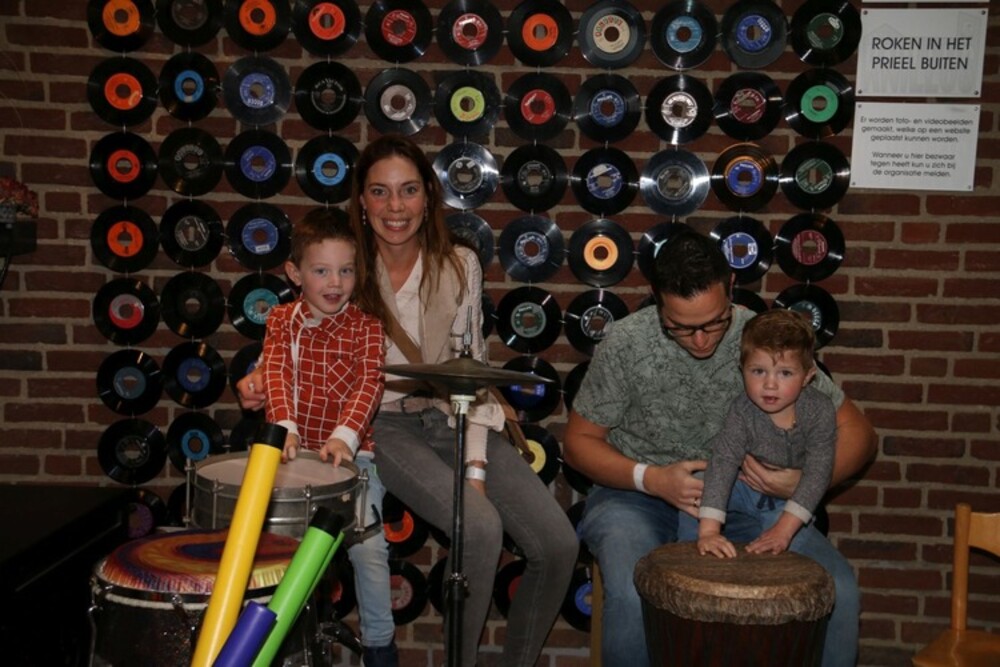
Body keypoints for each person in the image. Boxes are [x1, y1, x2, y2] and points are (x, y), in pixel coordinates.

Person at [239, 134, 578, 667]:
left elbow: (471, 365)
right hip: (382, 423)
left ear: (428, 197)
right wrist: (258, 376)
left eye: (409, 190)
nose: (395, 207)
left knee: (558, 545)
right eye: (380, 191)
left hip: (456, 416)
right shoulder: (346, 262)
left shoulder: (460, 264)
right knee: (479, 529)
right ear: (361, 200)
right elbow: (297, 330)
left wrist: (475, 466)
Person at [562, 228, 877, 667]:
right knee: (636, 593)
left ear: (731, 285)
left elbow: (859, 433)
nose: (701, 340)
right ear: (656, 299)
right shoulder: (626, 343)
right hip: (633, 496)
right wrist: (652, 479)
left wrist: (805, 483)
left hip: (748, 497)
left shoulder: (762, 338)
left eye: (714, 322)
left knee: (837, 590)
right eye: (680, 327)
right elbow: (578, 444)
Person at [257, 208, 398, 666]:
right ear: (294, 272)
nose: (335, 283)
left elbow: (369, 383)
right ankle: (280, 643)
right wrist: (285, 429)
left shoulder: (368, 327)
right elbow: (276, 373)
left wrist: (345, 437)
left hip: (355, 458)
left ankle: (380, 648)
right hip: (295, 454)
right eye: (321, 271)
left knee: (369, 550)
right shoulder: (280, 320)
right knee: (276, 551)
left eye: (346, 270)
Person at [677, 309, 842, 565]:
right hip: (743, 486)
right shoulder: (742, 410)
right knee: (698, 483)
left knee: (833, 578)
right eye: (758, 371)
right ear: (742, 369)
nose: (770, 384)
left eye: (785, 373)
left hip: (787, 502)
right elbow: (723, 463)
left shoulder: (819, 410)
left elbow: (818, 473)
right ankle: (689, 557)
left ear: (808, 376)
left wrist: (783, 531)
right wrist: (709, 531)